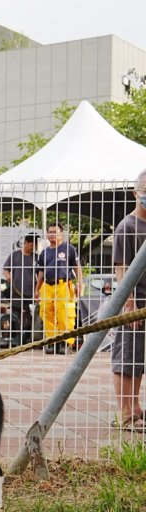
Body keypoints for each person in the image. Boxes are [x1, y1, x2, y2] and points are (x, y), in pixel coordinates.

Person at [110, 169, 146, 430]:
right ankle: (124, 410)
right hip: (134, 301)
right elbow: (121, 268)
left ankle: (135, 406)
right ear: (136, 193)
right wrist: (129, 301)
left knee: (138, 358)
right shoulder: (128, 226)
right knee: (126, 356)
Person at [36, 222, 82, 354]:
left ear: (61, 234)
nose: (52, 235)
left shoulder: (69, 249)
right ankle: (51, 342)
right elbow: (41, 272)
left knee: (64, 314)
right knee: (46, 313)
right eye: (50, 232)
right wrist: (37, 289)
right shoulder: (44, 253)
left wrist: (79, 284)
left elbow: (76, 267)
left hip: (63, 285)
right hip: (46, 286)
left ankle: (66, 342)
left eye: (55, 232)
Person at [2, 234, 39, 341]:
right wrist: (9, 277)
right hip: (16, 292)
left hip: (31, 293)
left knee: (31, 317)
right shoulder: (15, 255)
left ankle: (28, 339)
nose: (33, 247)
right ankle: (14, 338)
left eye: (34, 245)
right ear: (26, 243)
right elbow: (6, 269)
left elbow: (40, 274)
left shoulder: (36, 257)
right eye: (31, 245)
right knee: (15, 316)